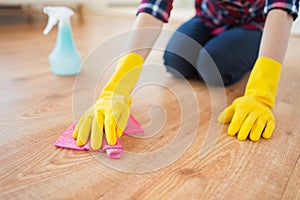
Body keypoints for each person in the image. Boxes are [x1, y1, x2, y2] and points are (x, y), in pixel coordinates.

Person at [72, 0, 299, 150]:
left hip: (255, 23)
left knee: (213, 68)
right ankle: (223, 42)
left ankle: (252, 46)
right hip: (211, 17)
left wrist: (261, 94)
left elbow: (281, 6)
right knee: (175, 61)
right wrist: (116, 88)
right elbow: (153, 8)